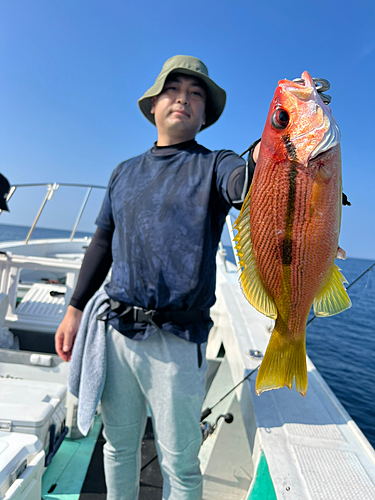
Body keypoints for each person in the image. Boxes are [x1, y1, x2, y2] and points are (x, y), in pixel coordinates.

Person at [55, 55, 260, 500]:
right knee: (118, 446)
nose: (183, 98)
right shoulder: (123, 172)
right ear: (153, 105)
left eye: (196, 93)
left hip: (177, 339)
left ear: (205, 116)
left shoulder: (217, 164)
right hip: (116, 332)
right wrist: (74, 309)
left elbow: (245, 186)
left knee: (181, 466)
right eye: (173, 89)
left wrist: (269, 158)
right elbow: (102, 243)